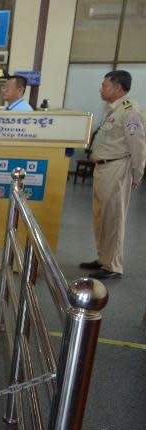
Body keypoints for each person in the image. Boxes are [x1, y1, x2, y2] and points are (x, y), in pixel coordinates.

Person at [80, 70, 145, 279]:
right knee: (102, 216)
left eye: (105, 85)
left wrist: (137, 174)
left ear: (118, 88)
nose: (101, 88)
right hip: (103, 168)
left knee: (114, 218)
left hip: (117, 168)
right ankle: (103, 258)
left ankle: (113, 266)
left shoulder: (130, 111)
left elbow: (138, 145)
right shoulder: (113, 109)